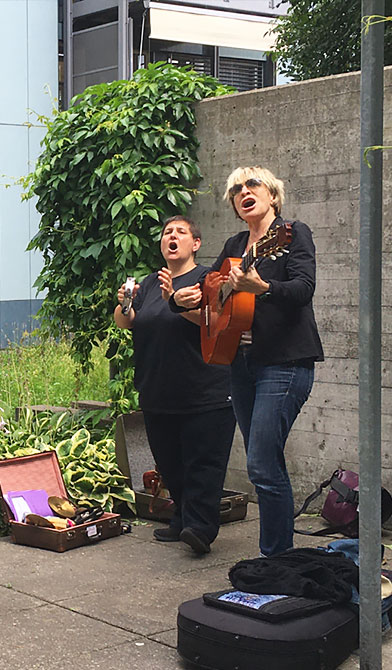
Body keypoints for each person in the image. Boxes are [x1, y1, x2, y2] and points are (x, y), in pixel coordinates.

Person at [174, 166, 323, 557]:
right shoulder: (236, 244)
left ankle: (274, 559)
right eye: (236, 189)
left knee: (258, 463)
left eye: (252, 185)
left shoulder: (290, 235)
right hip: (240, 364)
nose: (244, 191)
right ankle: (281, 557)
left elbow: (303, 289)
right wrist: (185, 299)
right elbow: (212, 292)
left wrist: (265, 287)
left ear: (272, 195)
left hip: (285, 363)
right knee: (267, 462)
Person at [114, 216, 235, 555]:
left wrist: (176, 302)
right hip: (158, 391)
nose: (173, 236)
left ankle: (201, 529)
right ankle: (182, 519)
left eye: (181, 232)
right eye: (168, 232)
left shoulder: (208, 278)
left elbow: (217, 320)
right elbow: (127, 322)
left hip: (205, 392)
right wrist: (124, 301)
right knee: (170, 464)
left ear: (195, 244)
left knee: (202, 465)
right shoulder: (151, 283)